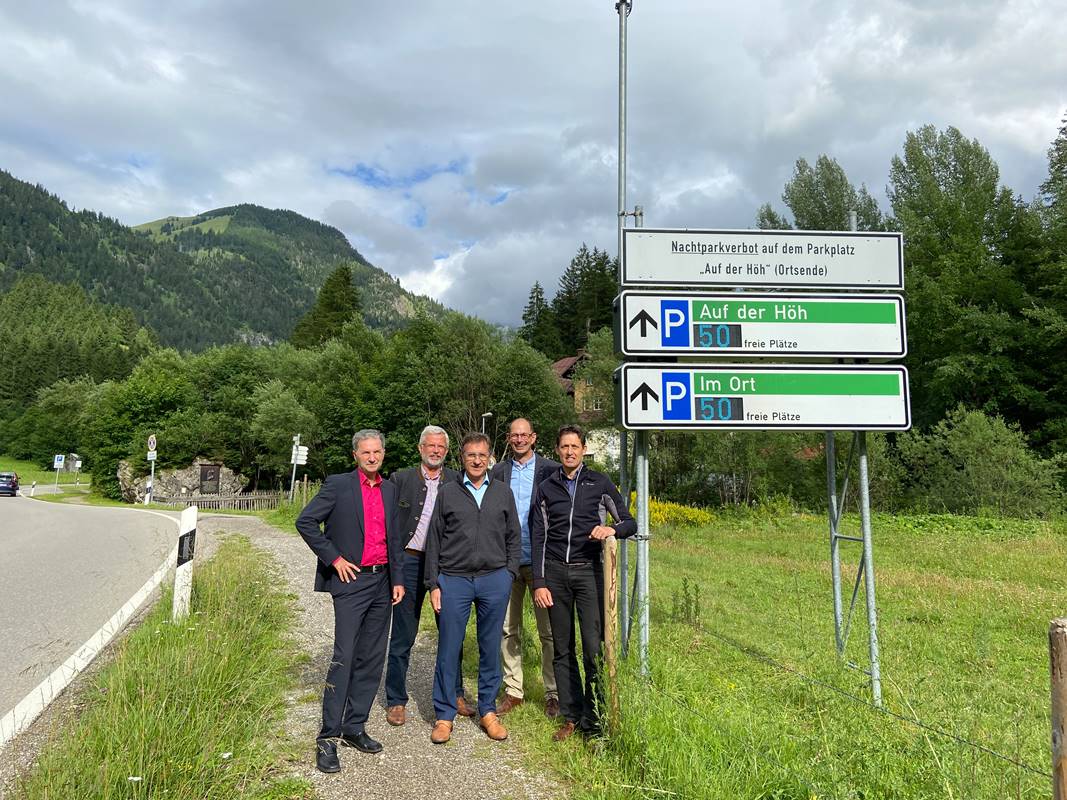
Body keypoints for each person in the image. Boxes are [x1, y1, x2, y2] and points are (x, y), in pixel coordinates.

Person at [296, 429, 405, 774]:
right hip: (351, 580)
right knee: (344, 656)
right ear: (355, 455)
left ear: (383, 454)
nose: (372, 457)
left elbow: (395, 539)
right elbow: (306, 522)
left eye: (377, 452)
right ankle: (327, 737)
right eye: (366, 452)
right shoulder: (338, 485)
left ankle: (354, 726)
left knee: (372, 657)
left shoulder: (390, 489)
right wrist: (334, 558)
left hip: (382, 581)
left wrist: (398, 580)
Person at [531, 424, 635, 741]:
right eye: (564, 447)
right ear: (557, 450)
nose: (569, 452)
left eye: (574, 446)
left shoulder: (599, 483)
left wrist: (611, 530)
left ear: (584, 449)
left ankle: (594, 721)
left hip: (590, 572)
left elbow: (629, 522)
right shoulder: (546, 487)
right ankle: (571, 716)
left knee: (593, 649)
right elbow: (538, 537)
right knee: (562, 649)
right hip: (555, 575)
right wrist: (539, 581)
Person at [425, 432, 521, 744]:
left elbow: (513, 536)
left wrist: (508, 574)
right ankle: (444, 715)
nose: (477, 461)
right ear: (462, 458)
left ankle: (488, 711)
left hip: (494, 579)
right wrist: (433, 583)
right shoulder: (448, 492)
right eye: (471, 455)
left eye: (482, 455)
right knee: (449, 647)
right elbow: (434, 540)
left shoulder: (502, 492)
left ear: (490, 457)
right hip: (454, 580)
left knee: (490, 647)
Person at [384, 425, 474, 725]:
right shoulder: (400, 479)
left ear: (446, 452)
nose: (435, 451)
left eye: (441, 447)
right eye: (430, 446)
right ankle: (396, 699)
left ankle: (455, 693)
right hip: (409, 562)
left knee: (451, 632)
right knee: (403, 635)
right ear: (420, 448)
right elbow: (387, 523)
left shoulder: (457, 480)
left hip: (446, 566)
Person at [491, 417, 561, 718]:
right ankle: (514, 690)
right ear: (509, 439)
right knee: (508, 628)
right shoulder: (497, 472)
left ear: (533, 438)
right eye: (514, 436)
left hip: (540, 562)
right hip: (506, 562)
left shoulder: (551, 470)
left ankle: (553, 692)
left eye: (524, 435)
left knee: (549, 631)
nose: (519, 440)